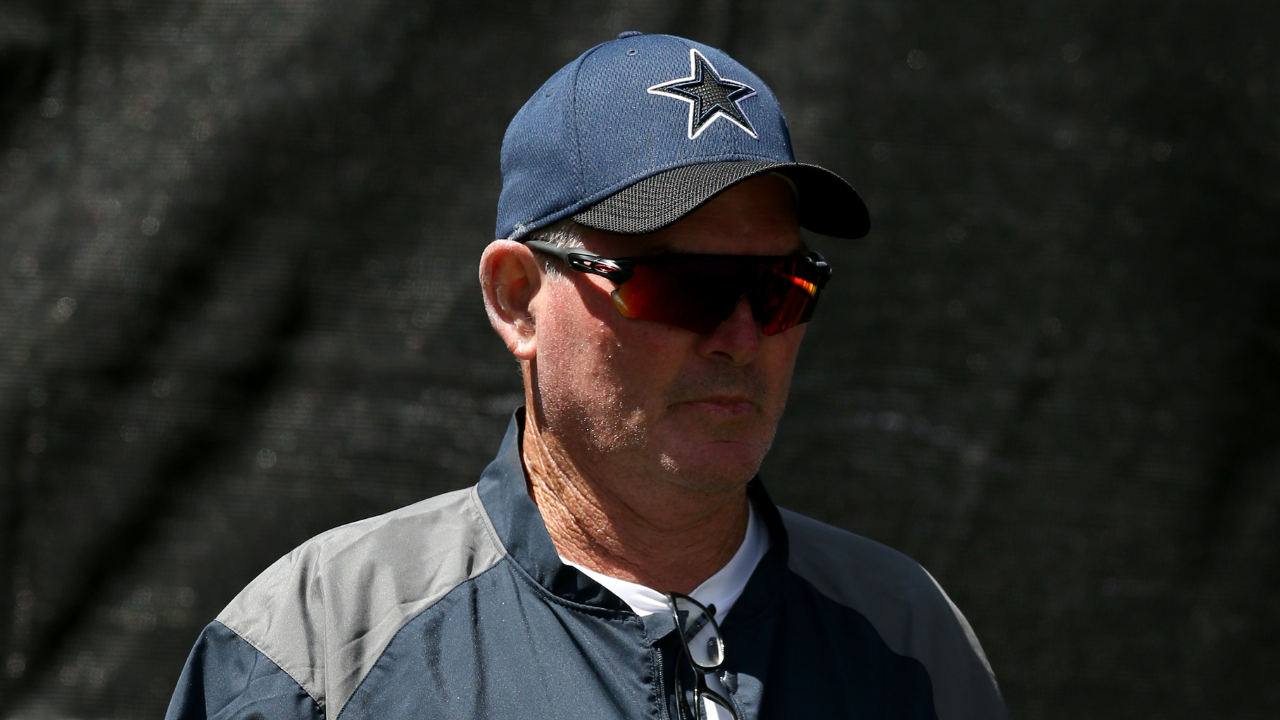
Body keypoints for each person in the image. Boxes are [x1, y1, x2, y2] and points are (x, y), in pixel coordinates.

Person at [165, 32, 1008, 720]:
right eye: (684, 286)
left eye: (781, 289)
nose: (742, 336)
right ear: (518, 299)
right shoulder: (318, 651)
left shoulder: (907, 638)